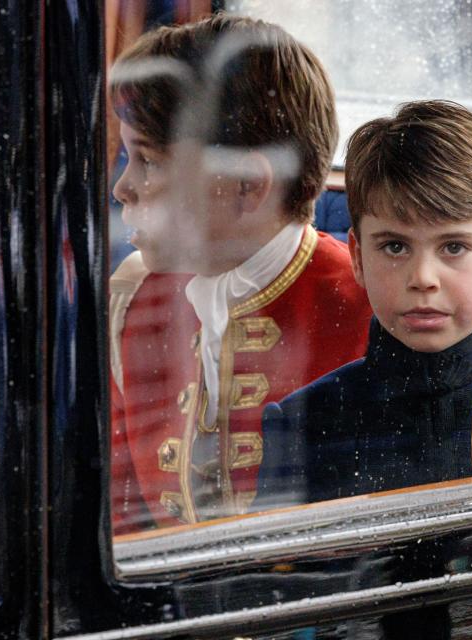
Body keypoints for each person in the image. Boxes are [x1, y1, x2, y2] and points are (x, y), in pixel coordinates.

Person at [108, 14, 373, 533]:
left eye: (148, 162)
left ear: (250, 185)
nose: (123, 188)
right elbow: (124, 509)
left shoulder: (370, 307)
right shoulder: (132, 294)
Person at [254, 100, 472, 509]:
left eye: (453, 246)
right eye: (395, 246)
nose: (422, 278)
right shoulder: (303, 424)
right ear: (357, 258)